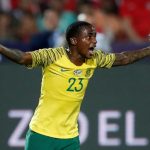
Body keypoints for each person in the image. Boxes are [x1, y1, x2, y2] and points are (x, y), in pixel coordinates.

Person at [0, 21, 150, 150]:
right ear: (74, 40)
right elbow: (21, 57)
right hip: (41, 134)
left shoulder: (95, 59)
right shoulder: (53, 56)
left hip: (70, 137)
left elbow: (123, 58)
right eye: (89, 37)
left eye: (95, 36)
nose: (94, 41)